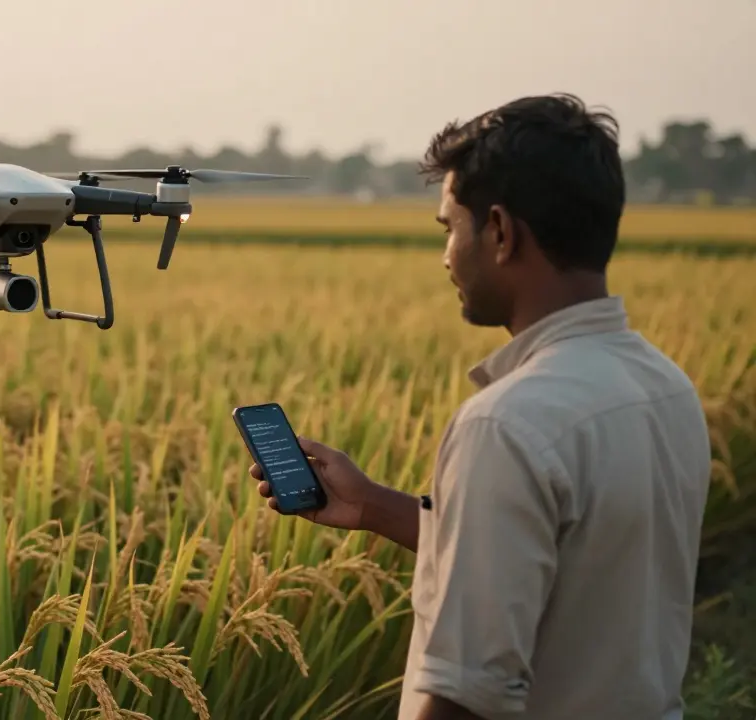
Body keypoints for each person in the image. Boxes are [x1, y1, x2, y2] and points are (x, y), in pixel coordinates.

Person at [251, 93, 712, 719]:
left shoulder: (508, 422)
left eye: (450, 228)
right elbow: (561, 559)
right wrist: (373, 506)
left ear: (499, 231)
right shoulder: (665, 386)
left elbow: (467, 693)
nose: (446, 255)